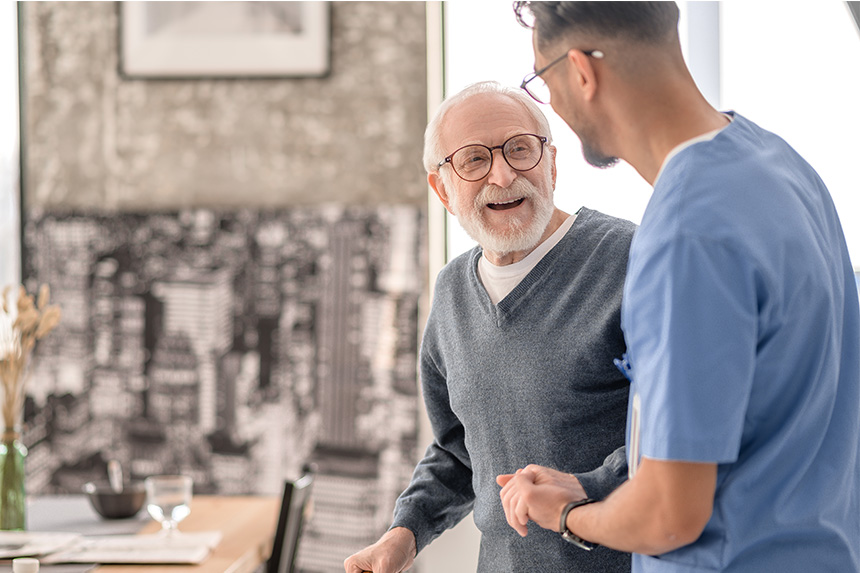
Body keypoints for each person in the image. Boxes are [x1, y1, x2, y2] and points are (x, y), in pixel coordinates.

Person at [499, 3, 860, 573]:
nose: (555, 106)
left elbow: (670, 516)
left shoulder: (684, 236)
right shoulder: (781, 164)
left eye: (542, 81)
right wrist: (600, 483)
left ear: (582, 73)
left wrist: (567, 513)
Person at [343, 81, 636, 572]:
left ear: (551, 163)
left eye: (520, 150)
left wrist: (589, 486)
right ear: (442, 189)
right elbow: (459, 452)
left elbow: (682, 442)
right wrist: (404, 534)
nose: (502, 175)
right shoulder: (453, 290)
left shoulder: (632, 260)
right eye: (474, 160)